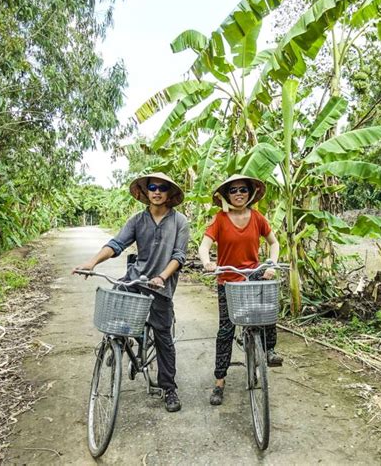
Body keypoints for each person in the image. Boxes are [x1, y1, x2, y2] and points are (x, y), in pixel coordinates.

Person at [73, 172, 189, 412]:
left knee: (163, 337)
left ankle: (169, 388)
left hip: (161, 286)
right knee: (118, 317)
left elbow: (179, 256)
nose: (157, 191)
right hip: (136, 280)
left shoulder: (180, 222)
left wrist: (162, 277)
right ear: (146, 192)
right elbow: (116, 244)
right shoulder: (137, 220)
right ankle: (121, 345)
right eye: (153, 187)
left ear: (169, 193)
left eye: (162, 188)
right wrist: (92, 262)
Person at [198, 174, 282, 406]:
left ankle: (270, 349)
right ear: (227, 195)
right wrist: (208, 262)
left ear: (250, 193)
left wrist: (271, 264)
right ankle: (219, 382)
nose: (238, 194)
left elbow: (273, 242)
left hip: (254, 275)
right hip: (228, 279)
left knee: (267, 309)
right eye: (233, 190)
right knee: (225, 331)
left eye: (243, 190)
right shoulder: (220, 219)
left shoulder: (257, 217)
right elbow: (204, 246)